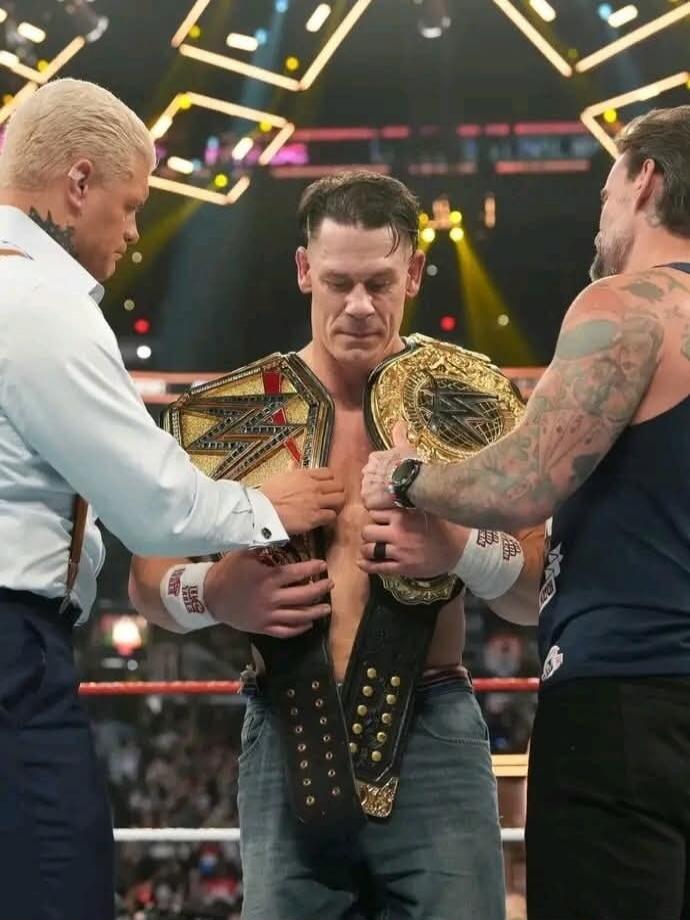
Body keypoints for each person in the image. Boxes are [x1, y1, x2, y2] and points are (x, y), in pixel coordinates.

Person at [130, 170, 544, 920]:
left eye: (379, 283)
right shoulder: (238, 414)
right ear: (303, 270)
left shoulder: (470, 403)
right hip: (286, 723)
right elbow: (146, 582)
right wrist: (217, 593)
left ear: (413, 273)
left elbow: (534, 592)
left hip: (433, 723)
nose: (358, 305)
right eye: (338, 282)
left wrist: (459, 549)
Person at [0, 78, 343, 920]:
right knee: (56, 884)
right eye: (130, 205)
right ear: (78, 182)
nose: (133, 231)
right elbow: (152, 504)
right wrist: (268, 506)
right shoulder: (39, 303)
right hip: (10, 642)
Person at [362, 105, 690, 920]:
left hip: (632, 696)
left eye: (607, 190)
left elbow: (523, 482)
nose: (601, 213)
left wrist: (409, 474)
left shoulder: (629, 304)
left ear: (645, 180)